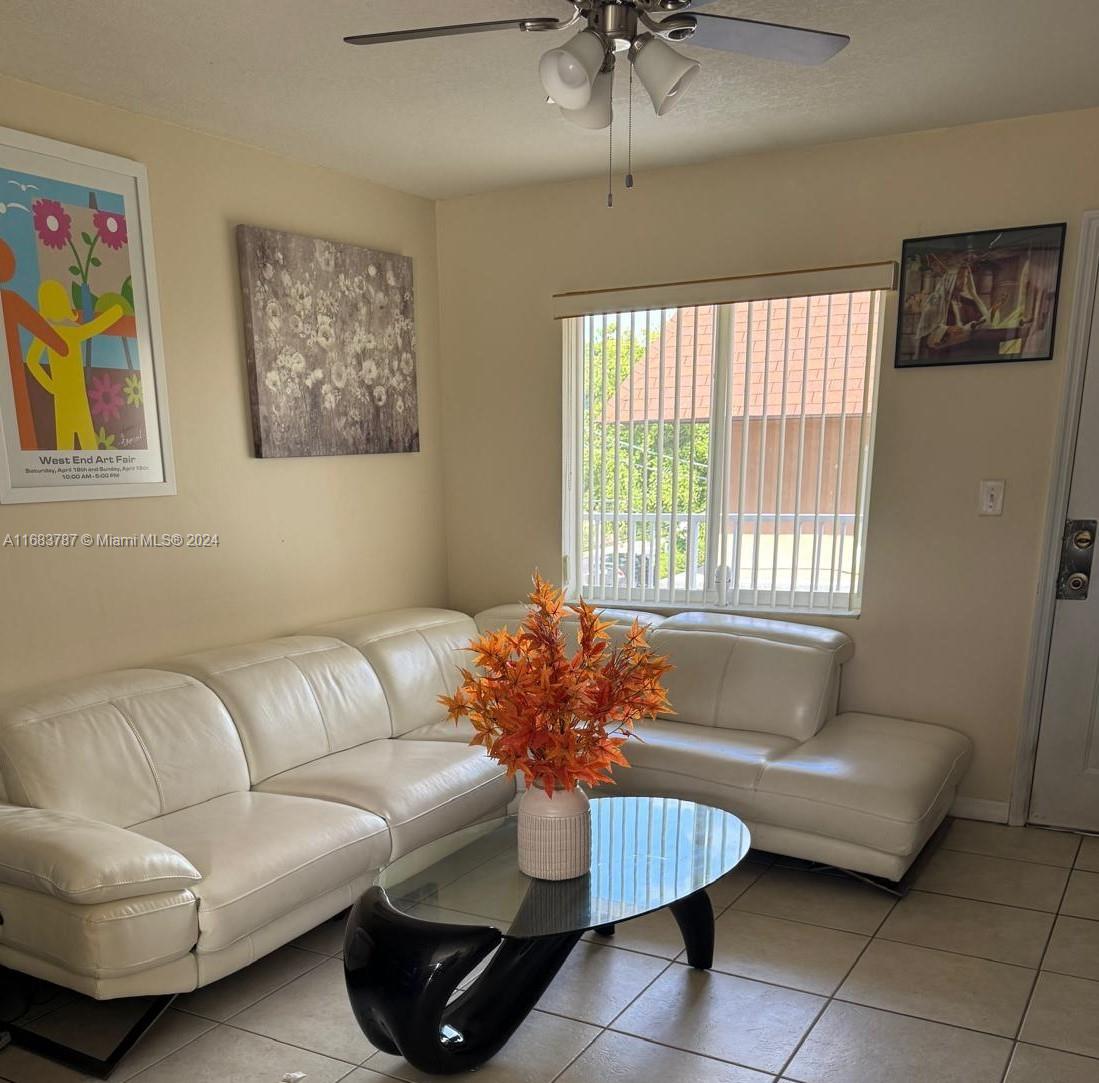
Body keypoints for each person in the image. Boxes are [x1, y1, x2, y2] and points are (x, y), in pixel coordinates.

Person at [25, 280, 122, 451]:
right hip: (70, 393)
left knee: (70, 439)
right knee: (82, 438)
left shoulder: (54, 332)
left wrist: (51, 386)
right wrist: (117, 311)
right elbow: (94, 328)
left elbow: (32, 360)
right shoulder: (64, 332)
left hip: (68, 393)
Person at [0, 237, 70, 450]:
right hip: (12, 375)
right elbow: (50, 336)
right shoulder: (10, 300)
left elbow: (45, 332)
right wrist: (60, 346)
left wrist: (60, 345)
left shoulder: (11, 300)